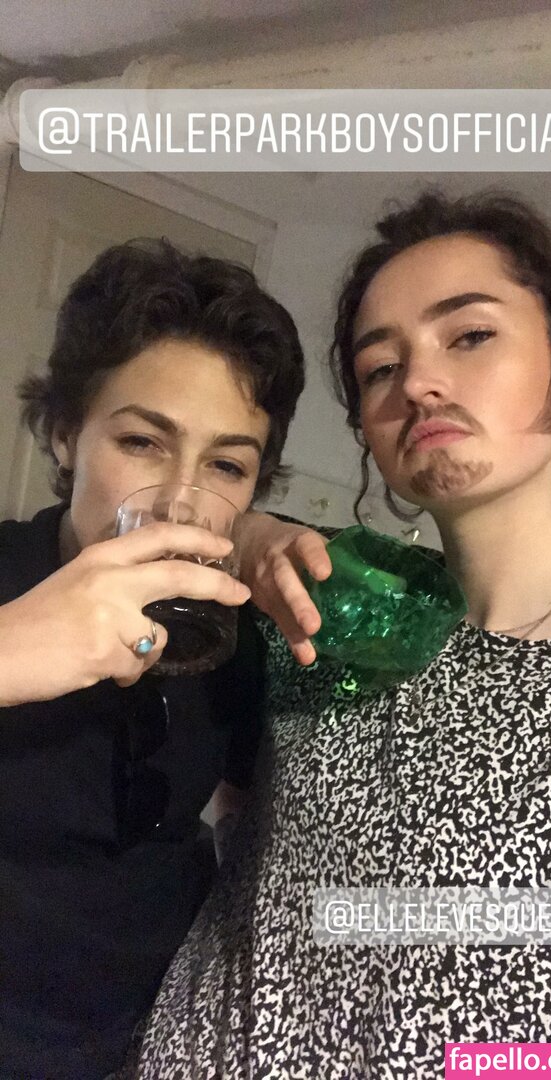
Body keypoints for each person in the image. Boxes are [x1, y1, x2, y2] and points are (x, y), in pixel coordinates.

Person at [132, 190, 551, 1079]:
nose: (418, 382)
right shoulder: (331, 599)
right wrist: (251, 531)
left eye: (469, 335)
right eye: (380, 368)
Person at [0, 237, 304, 1079]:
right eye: (142, 442)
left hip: (155, 1043)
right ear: (65, 434)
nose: (178, 501)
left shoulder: (230, 633)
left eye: (226, 465)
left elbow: (246, 810)